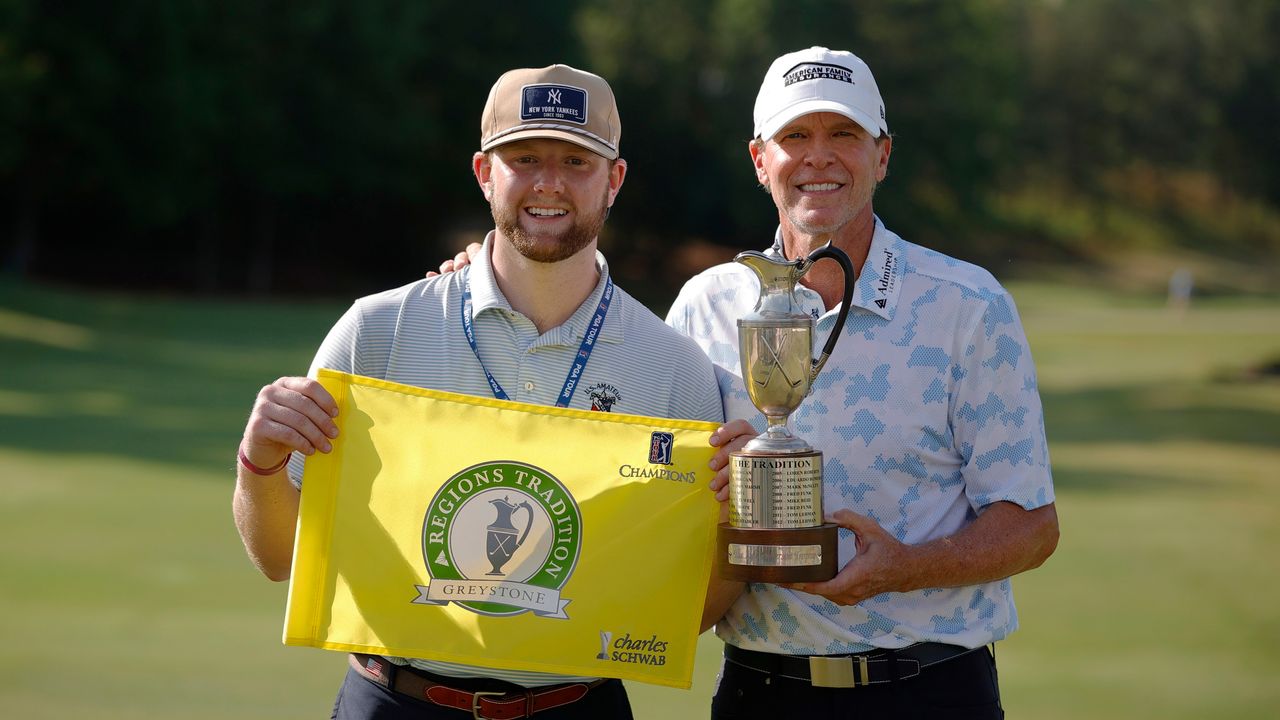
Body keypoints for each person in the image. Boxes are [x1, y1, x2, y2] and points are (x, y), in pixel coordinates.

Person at [232, 64, 723, 720]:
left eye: (576, 161)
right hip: (394, 703)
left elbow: (688, 607)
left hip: (579, 708)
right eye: (523, 158)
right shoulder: (379, 330)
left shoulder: (674, 367)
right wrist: (259, 464)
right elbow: (277, 557)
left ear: (615, 181)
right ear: (485, 173)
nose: (549, 181)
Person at [665, 47, 1060, 719]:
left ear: (882, 155)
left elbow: (1031, 527)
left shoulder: (967, 304)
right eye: (795, 136)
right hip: (759, 691)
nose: (818, 156)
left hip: (932, 691)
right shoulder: (703, 307)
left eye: (843, 134)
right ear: (761, 160)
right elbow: (641, 472)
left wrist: (907, 566)